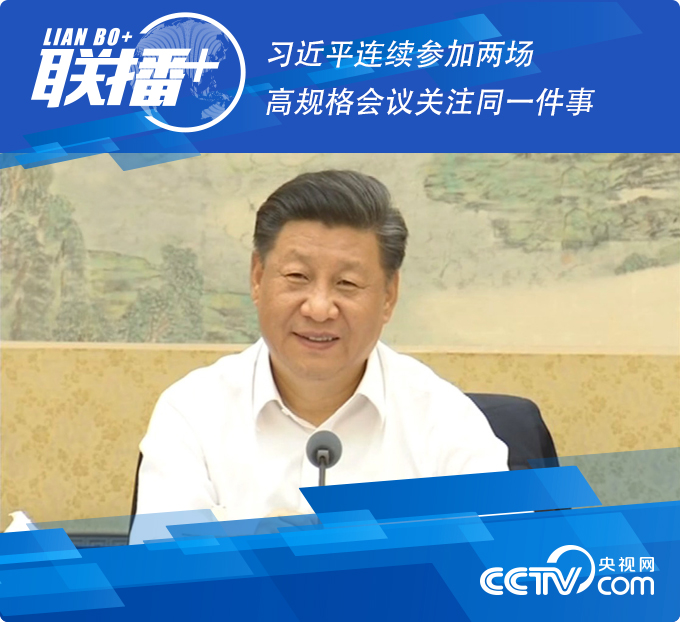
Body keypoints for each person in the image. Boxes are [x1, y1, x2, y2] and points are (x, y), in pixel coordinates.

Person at [132, 170, 507, 537]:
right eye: (297, 277)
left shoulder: (446, 422)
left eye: (347, 283)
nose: (319, 308)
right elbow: (157, 571)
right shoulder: (192, 412)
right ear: (258, 277)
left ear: (388, 296)